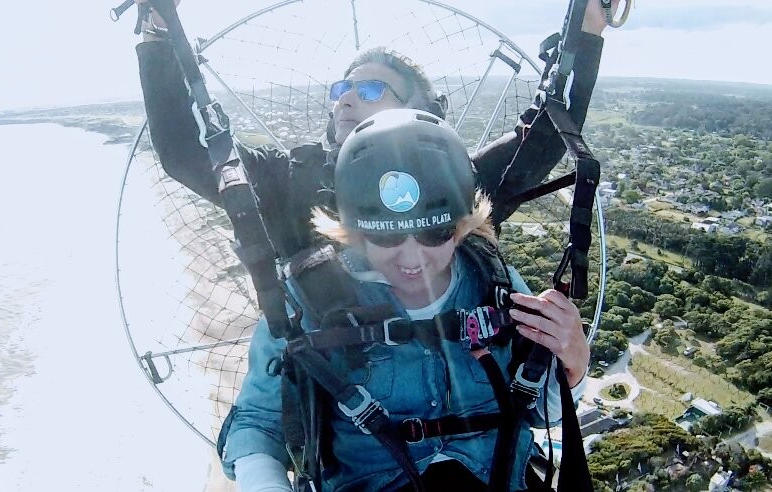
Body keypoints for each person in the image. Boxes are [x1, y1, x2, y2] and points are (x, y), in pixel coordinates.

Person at [135, 0, 628, 259]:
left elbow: (544, 139)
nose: (346, 98)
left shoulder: (458, 183)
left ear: (416, 110)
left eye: (370, 88)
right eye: (341, 89)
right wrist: (157, 30)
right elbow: (185, 152)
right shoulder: (287, 180)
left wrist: (587, 31)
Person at [220, 109, 590, 491]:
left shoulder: (492, 279)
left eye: (436, 233)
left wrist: (574, 366)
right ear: (352, 230)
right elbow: (259, 423)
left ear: (464, 223)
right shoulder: (305, 300)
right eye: (386, 237)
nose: (412, 259)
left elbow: (538, 411)